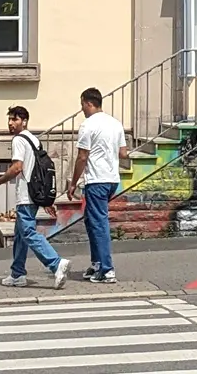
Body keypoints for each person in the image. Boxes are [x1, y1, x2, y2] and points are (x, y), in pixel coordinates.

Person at [0, 106, 70, 289]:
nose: (10, 123)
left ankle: (56, 264)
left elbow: (17, 168)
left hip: (26, 195)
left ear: (24, 121)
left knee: (28, 233)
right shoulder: (34, 140)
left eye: (14, 120)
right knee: (20, 235)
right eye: (9, 119)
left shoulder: (18, 140)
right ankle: (17, 274)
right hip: (35, 193)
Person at [65, 87, 128, 284]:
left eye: (82, 104)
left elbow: (82, 156)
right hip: (111, 179)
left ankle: (107, 270)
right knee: (91, 222)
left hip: (96, 180)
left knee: (98, 223)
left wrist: (73, 183)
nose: (82, 108)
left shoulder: (88, 125)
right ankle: (97, 264)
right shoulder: (115, 123)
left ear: (88, 103)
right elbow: (123, 153)